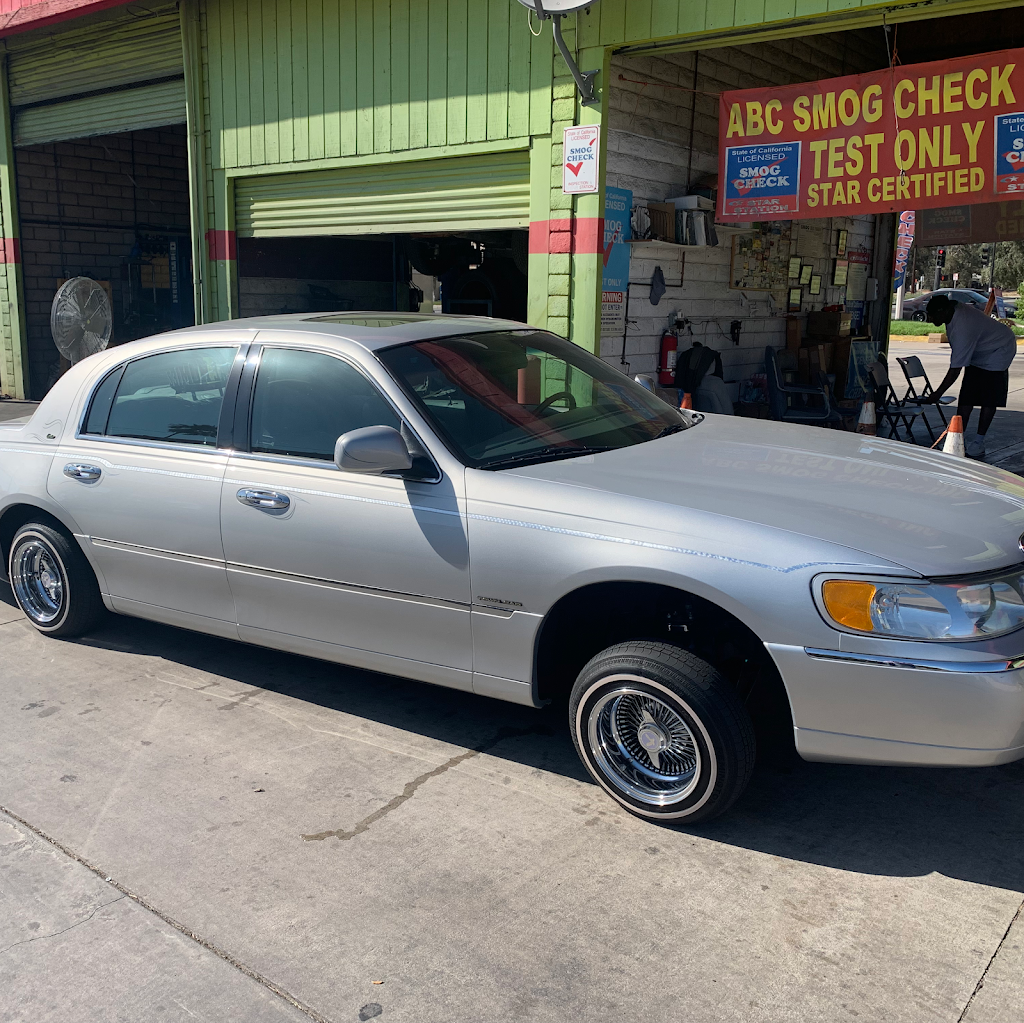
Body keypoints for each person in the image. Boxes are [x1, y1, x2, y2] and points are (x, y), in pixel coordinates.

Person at [921, 294, 1017, 458]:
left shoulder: (963, 328)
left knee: (989, 397)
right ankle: (958, 436)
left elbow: (955, 370)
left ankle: (979, 441)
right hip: (980, 351)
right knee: (967, 394)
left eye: (932, 315)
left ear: (943, 311)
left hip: (999, 349)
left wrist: (938, 393)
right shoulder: (954, 310)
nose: (930, 319)